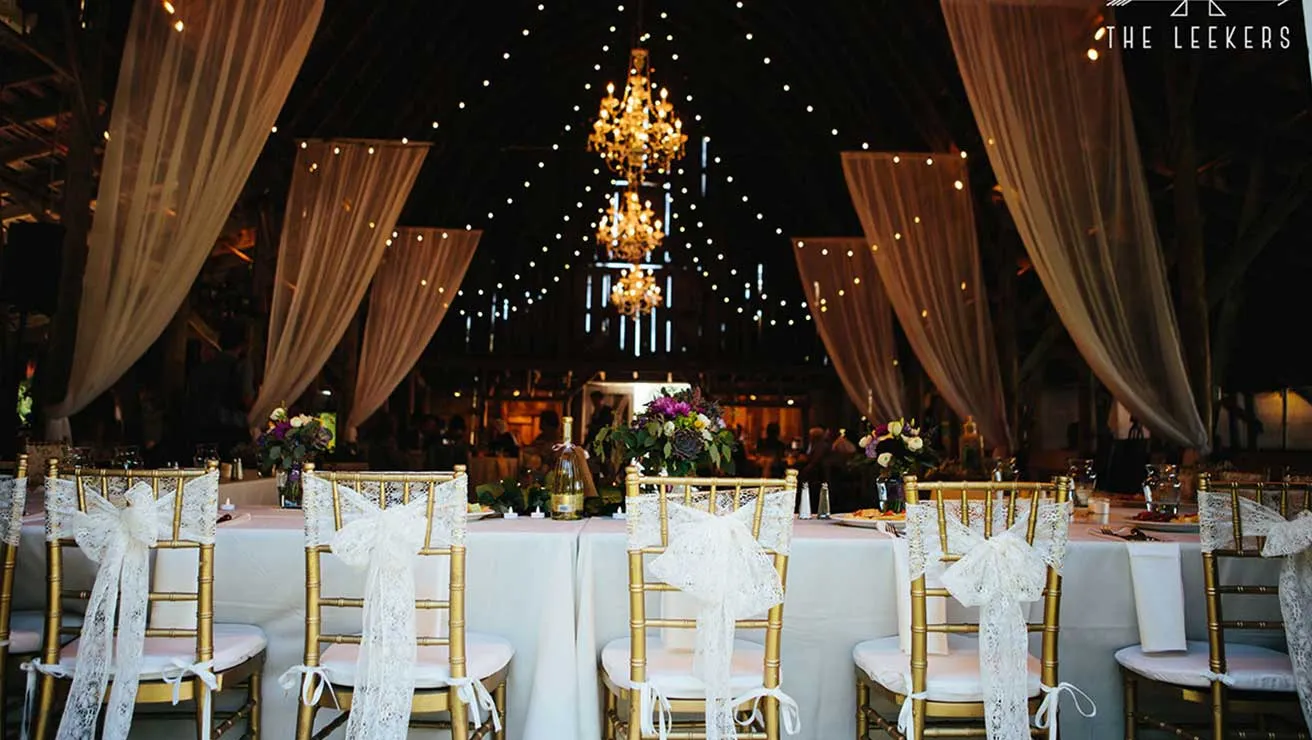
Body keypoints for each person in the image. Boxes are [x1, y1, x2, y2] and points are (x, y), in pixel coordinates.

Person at [184, 324, 253, 458]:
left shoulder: (200, 370)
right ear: (243, 345)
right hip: (230, 432)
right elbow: (247, 400)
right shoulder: (240, 367)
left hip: (199, 432)